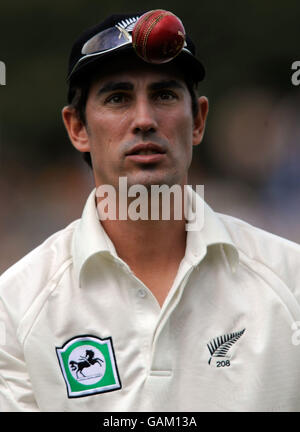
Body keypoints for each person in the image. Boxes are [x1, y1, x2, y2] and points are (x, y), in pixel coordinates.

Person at [0, 10, 300, 413]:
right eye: (118, 98)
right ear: (77, 129)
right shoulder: (15, 305)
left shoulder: (290, 280)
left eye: (164, 95)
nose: (144, 120)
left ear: (198, 121)